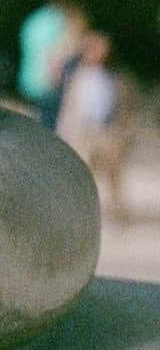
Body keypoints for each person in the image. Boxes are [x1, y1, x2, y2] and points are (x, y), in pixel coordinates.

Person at [55, 31, 136, 217]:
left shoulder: (117, 77)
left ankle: (118, 210)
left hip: (108, 131)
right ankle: (80, 210)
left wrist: (125, 133)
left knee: (113, 174)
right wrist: (65, 129)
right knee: (82, 173)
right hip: (83, 132)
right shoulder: (77, 76)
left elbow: (128, 107)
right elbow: (69, 105)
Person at [17, 0, 86, 128]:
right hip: (47, 84)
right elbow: (55, 55)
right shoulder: (59, 22)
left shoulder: (35, 18)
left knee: (35, 117)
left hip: (28, 80)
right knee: (48, 122)